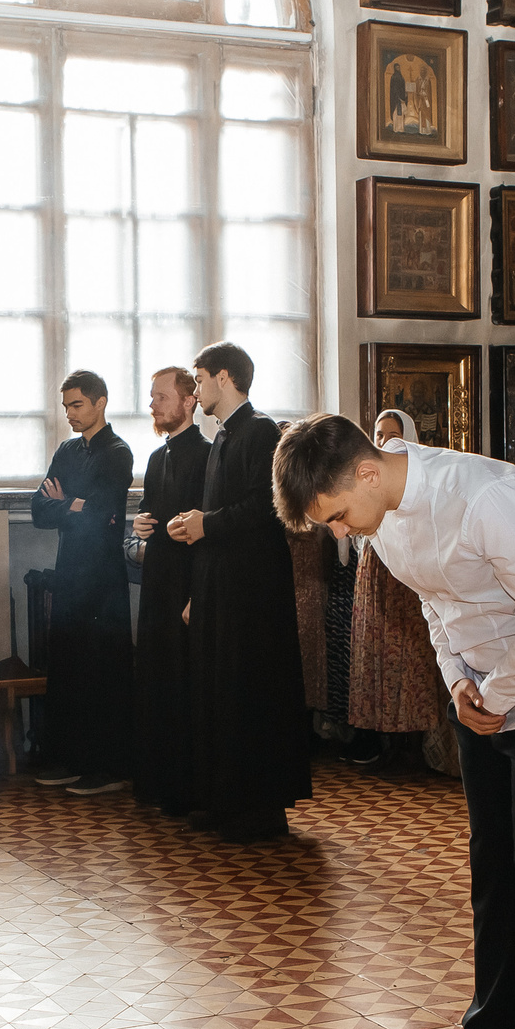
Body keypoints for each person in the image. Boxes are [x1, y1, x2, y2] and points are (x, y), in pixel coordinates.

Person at [276, 413, 515, 1029]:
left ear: (366, 471)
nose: (339, 534)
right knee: (493, 878)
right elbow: (435, 602)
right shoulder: (381, 515)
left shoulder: (485, 496)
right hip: (482, 701)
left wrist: (497, 692)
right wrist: (459, 681)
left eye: (335, 516)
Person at [176, 343, 311, 840]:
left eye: (200, 378)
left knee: (252, 693)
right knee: (221, 692)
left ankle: (260, 808)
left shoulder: (261, 433)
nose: (196, 389)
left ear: (225, 377)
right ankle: (226, 799)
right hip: (220, 586)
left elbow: (265, 507)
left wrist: (205, 523)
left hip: (254, 593)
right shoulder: (222, 438)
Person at [31, 369, 134, 794]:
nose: (70, 414)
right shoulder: (68, 451)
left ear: (100, 402)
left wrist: (69, 504)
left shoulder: (118, 452)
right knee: (70, 665)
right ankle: (71, 758)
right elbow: (39, 512)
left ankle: (109, 765)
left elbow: (104, 514)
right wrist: (75, 506)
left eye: (77, 405)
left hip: (104, 577)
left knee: (102, 667)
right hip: (69, 571)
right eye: (66, 406)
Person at [347, 410, 445, 768]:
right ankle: (385, 742)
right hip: (374, 579)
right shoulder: (367, 476)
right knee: (377, 658)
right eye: (378, 434)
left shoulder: (415, 482)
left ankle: (411, 746)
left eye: (391, 434)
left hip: (404, 585)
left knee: (409, 660)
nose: (384, 441)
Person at [132, 367, 209, 812]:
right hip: (157, 580)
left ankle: (186, 789)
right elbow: (148, 512)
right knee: (157, 680)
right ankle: (158, 784)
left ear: (188, 401)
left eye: (162, 396)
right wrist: (140, 523)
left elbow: (207, 527)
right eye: (152, 397)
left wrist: (198, 593)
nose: (154, 405)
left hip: (187, 583)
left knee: (185, 684)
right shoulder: (157, 458)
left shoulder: (206, 454)